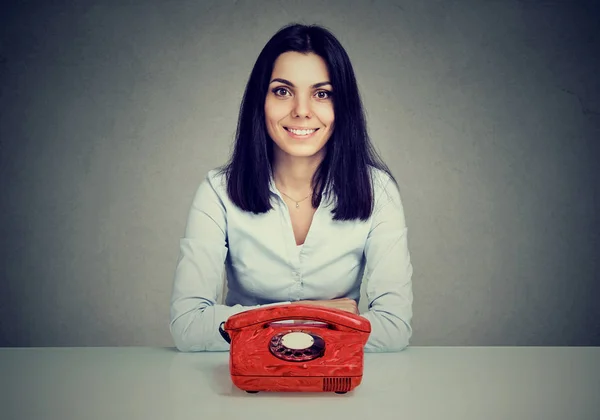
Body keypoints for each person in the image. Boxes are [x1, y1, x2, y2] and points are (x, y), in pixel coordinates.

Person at [169, 23, 414, 353]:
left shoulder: (378, 191)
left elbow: (394, 328)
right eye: (282, 91)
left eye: (322, 93)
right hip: (241, 391)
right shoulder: (217, 191)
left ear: (343, 107)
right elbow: (187, 326)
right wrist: (323, 314)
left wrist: (253, 323)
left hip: (340, 391)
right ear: (262, 101)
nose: (301, 110)